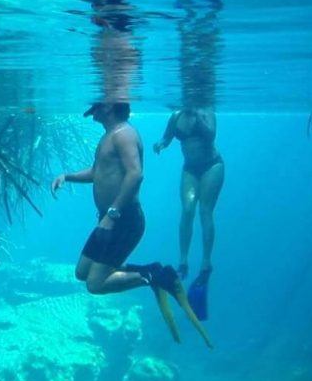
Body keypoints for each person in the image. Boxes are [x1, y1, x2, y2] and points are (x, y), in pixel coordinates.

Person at [52, 101, 179, 296]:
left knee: (95, 284)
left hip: (123, 219)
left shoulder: (124, 135)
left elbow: (135, 174)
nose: (92, 111)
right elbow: (97, 172)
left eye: (96, 105)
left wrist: (113, 212)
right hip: (109, 218)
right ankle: (149, 269)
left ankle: (154, 276)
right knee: (82, 272)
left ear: (108, 107)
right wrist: (67, 177)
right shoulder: (109, 136)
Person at [153, 107, 224, 287]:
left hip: (212, 165)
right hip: (190, 168)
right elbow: (167, 137)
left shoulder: (207, 113)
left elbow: (210, 136)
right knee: (187, 209)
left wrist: (197, 116)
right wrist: (160, 144)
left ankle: (206, 261)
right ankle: (183, 259)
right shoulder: (176, 116)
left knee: (205, 211)